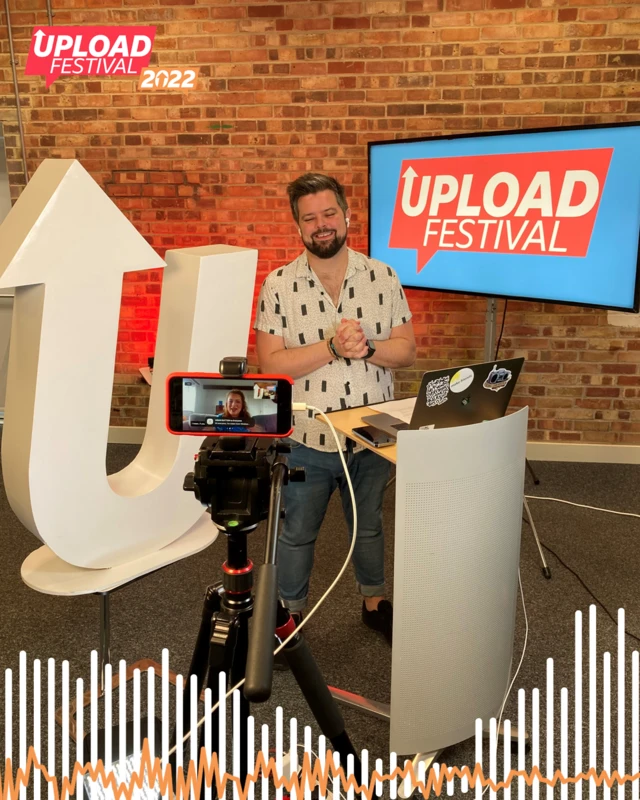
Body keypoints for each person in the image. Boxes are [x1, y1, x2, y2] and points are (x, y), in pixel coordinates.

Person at [254, 173, 416, 645]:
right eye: (310, 218)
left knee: (369, 527)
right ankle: (288, 619)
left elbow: (407, 351)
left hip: (373, 431)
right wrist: (331, 346)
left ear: (347, 215)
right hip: (306, 436)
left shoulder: (383, 276)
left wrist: (367, 349)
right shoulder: (278, 285)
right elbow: (271, 366)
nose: (321, 224)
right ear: (298, 226)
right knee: (297, 533)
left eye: (329, 213)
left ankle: (373, 603)